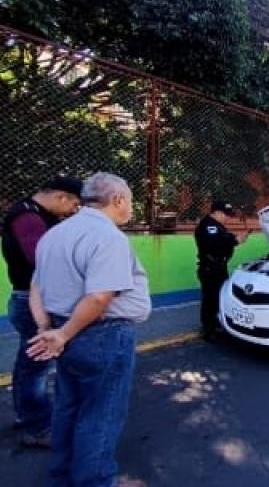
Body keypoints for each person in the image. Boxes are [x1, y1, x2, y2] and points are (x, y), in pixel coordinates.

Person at [26, 172, 151, 486]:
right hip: (102, 337)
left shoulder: (54, 234)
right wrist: (62, 334)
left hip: (65, 334)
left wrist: (49, 329)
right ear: (118, 200)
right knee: (101, 415)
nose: (131, 208)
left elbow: (36, 288)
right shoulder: (107, 237)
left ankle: (61, 476)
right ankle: (94, 481)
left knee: (68, 409)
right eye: (131, 201)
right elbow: (99, 297)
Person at [1, 176, 83, 447]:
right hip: (30, 301)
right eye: (74, 204)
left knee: (31, 361)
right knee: (36, 363)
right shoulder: (27, 216)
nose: (74, 210)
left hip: (33, 298)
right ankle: (37, 427)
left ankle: (28, 415)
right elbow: (43, 257)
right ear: (61, 197)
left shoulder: (39, 215)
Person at [194, 200, 248, 340]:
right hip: (210, 268)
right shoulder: (208, 226)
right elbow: (215, 244)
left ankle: (217, 324)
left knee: (219, 297)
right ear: (216, 212)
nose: (227, 217)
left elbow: (224, 237)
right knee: (210, 299)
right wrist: (236, 241)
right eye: (225, 214)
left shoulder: (217, 226)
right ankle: (208, 329)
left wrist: (235, 238)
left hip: (218, 267)